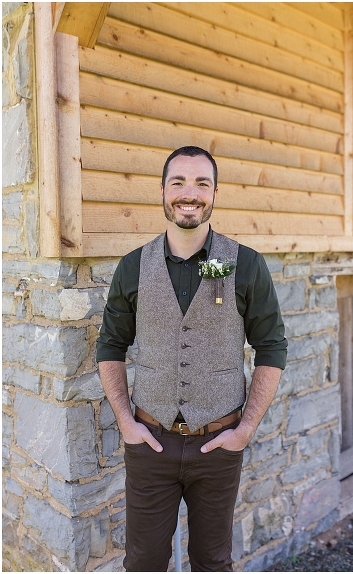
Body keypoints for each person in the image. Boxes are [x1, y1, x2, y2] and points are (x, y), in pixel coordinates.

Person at [96, 146, 287, 571]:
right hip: (150, 441)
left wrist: (246, 430)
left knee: (212, 561)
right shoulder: (132, 267)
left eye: (202, 183)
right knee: (143, 562)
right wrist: (126, 423)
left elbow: (271, 348)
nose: (190, 193)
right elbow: (110, 345)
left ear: (215, 193)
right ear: (162, 191)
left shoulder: (246, 264)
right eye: (179, 181)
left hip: (218, 445)